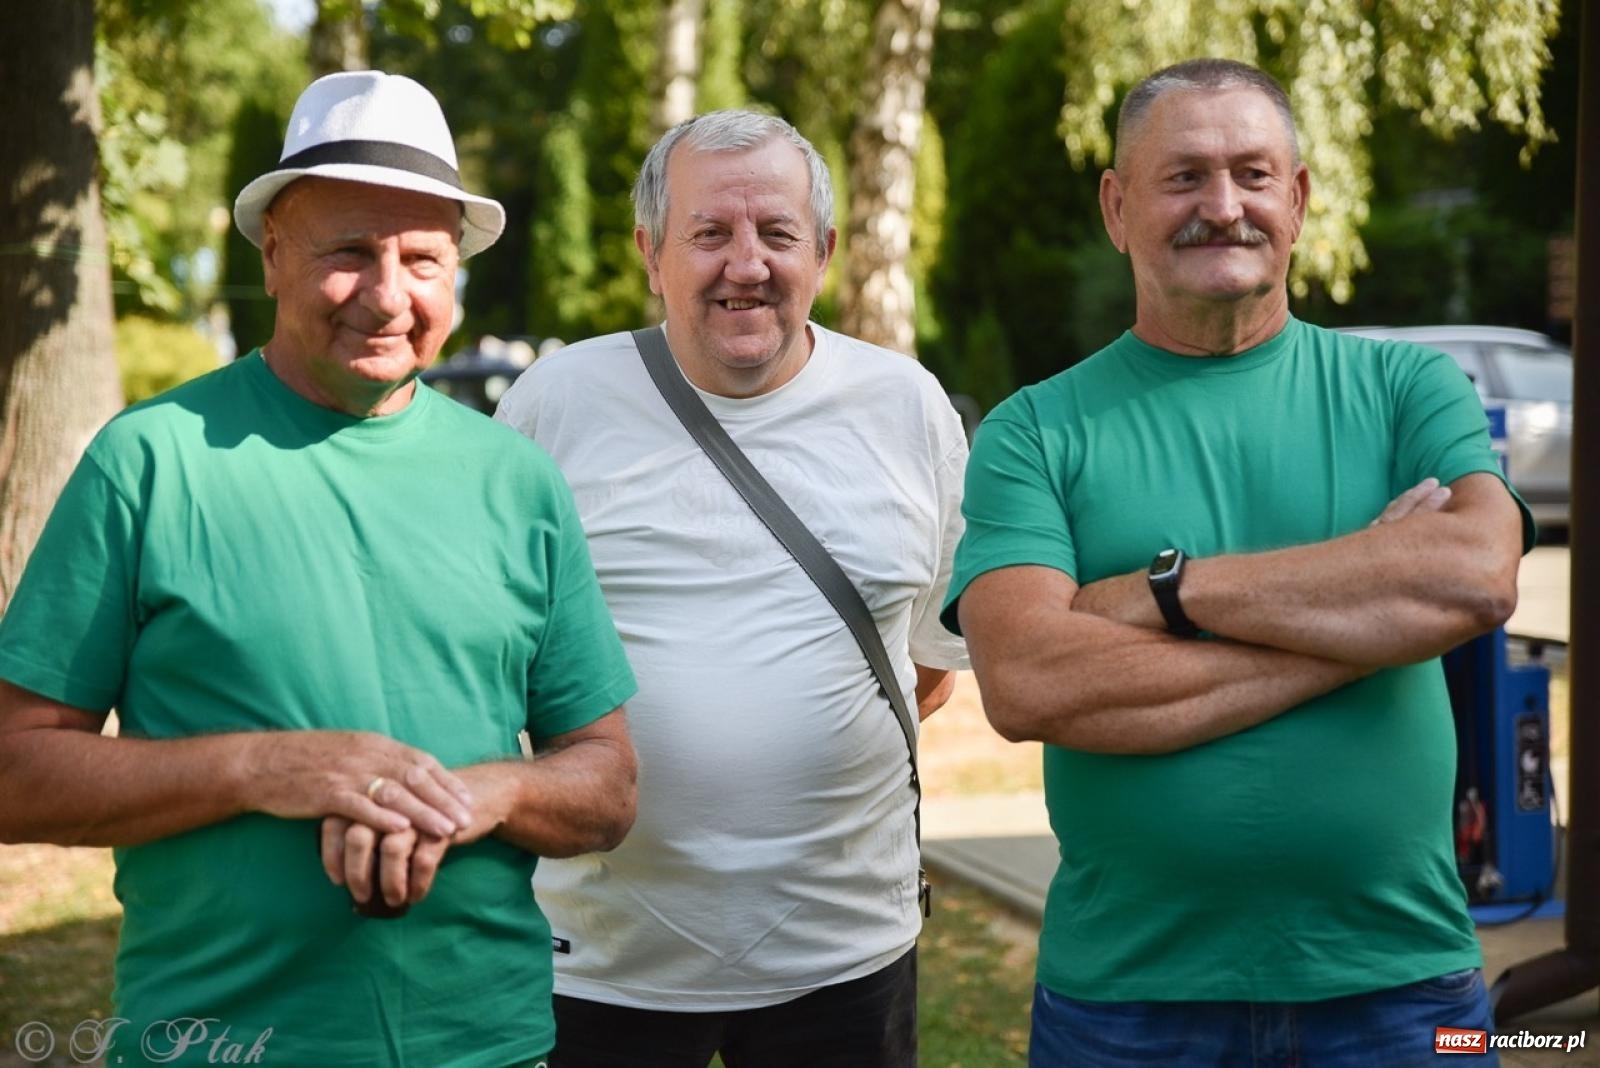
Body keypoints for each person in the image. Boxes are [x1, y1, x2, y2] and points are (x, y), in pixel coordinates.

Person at [0, 70, 637, 1068]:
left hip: (488, 1045)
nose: (388, 295)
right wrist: (268, 769)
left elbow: (605, 784)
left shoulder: (517, 480)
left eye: (422, 259)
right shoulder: (151, 460)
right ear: (274, 254)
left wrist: (480, 795)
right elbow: (15, 771)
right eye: (350, 252)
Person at [942, 59, 1533, 1067]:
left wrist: (1167, 591)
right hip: (1124, 1003)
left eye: (1253, 174)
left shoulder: (1406, 388)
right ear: (1116, 206)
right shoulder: (1034, 430)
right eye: (1184, 178)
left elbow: (1476, 576)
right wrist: (1372, 625)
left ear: (1297, 199)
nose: (1223, 206)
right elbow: (1030, 680)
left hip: (1404, 989)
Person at [494, 109, 969, 1068]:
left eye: (777, 234)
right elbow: (497, 663)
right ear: (650, 250)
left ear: (825, 250)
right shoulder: (554, 403)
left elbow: (927, 665)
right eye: (710, 233)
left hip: (847, 957)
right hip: (600, 962)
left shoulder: (907, 406)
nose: (746, 265)